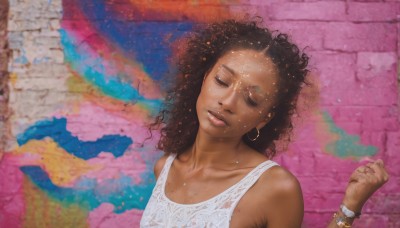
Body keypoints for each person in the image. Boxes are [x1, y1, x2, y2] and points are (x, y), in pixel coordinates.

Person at [140, 20, 389, 227]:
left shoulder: (275, 188)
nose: (227, 102)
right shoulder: (165, 168)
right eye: (222, 81)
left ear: (264, 118)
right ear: (204, 78)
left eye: (251, 100)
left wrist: (349, 208)